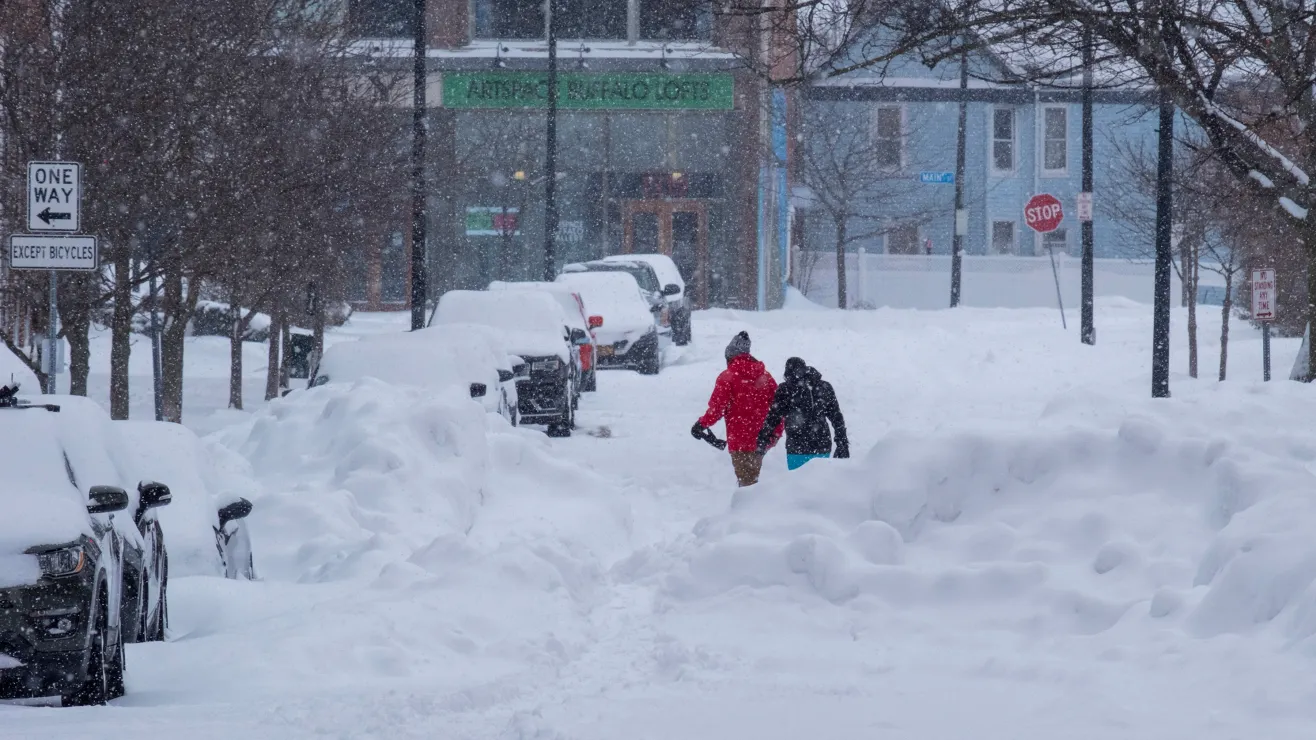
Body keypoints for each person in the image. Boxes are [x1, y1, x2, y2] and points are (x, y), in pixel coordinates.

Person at [692, 331, 783, 487]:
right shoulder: (766, 377)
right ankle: (756, 505)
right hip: (762, 438)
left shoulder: (728, 377)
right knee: (752, 479)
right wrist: (774, 434)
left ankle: (749, 509)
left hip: (740, 440)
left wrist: (701, 425)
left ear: (730, 356)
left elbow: (717, 408)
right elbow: (779, 407)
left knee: (748, 485)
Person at [757, 357, 849, 470]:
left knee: (798, 484)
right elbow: (836, 417)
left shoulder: (785, 389)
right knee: (822, 483)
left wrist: (762, 440)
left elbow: (773, 418)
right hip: (822, 445)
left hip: (797, 447)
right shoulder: (824, 387)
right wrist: (842, 442)